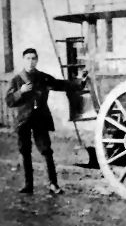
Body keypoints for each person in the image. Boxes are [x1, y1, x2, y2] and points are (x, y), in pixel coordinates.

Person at [5, 48, 87, 195]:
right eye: (28, 58)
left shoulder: (43, 78)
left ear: (37, 60)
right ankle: (28, 185)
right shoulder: (17, 80)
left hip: (40, 119)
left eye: (33, 58)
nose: (31, 61)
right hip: (23, 120)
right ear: (23, 60)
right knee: (25, 151)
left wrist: (80, 84)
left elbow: (61, 84)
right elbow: (9, 101)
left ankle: (53, 184)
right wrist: (20, 92)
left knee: (46, 151)